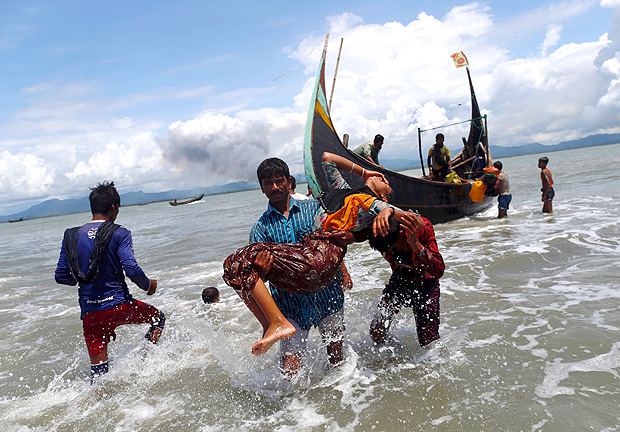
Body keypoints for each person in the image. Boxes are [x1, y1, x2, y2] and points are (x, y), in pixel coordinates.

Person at [224, 153, 410, 363]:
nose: (275, 187)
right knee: (290, 370)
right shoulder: (260, 229)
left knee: (336, 360)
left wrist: (348, 242)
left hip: (327, 295)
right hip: (290, 304)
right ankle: (274, 329)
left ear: (289, 181)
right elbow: (257, 279)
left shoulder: (314, 208)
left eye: (279, 181)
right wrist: (263, 270)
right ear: (262, 187)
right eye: (269, 183)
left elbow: (335, 241)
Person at [55, 181, 164, 383]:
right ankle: (143, 366)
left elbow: (62, 276)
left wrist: (83, 277)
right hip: (119, 306)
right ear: (114, 207)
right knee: (158, 319)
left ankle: (97, 402)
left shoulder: (71, 235)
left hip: (90, 313)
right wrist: (148, 286)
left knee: (98, 375)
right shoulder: (120, 232)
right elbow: (131, 268)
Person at [368, 213, 445, 348]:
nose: (389, 252)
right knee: (377, 332)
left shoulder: (421, 228)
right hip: (400, 280)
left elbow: (438, 270)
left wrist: (415, 244)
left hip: (426, 283)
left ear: (403, 233)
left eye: (393, 246)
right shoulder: (380, 230)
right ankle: (395, 353)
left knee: (428, 342)